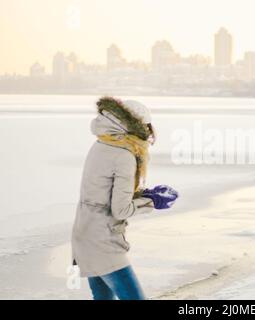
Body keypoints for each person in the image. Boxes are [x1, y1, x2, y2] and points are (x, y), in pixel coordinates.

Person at [71, 97, 178, 300]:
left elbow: (101, 194)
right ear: (139, 127)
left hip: (84, 234)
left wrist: (145, 193)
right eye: (147, 128)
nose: (149, 134)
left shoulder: (102, 143)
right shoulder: (125, 155)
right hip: (103, 241)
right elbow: (120, 209)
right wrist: (154, 202)